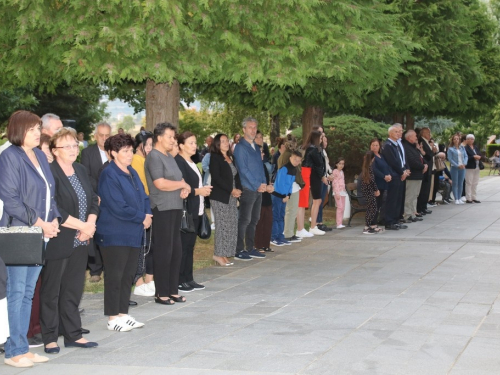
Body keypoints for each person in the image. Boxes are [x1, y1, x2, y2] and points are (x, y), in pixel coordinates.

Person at [0, 110, 61, 367]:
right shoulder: (9, 157)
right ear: (19, 131)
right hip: (20, 233)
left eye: (39, 129)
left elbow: (50, 192)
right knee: (17, 292)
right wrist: (41, 223)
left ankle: (21, 347)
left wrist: (54, 218)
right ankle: (14, 352)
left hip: (41, 232)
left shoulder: (38, 156)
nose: (39, 133)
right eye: (33, 129)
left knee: (27, 293)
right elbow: (10, 200)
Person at [40, 128, 99, 353]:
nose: (74, 149)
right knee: (52, 290)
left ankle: (73, 334)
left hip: (82, 238)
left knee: (73, 289)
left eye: (75, 145)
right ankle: (50, 337)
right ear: (55, 151)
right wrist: (81, 226)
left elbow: (93, 199)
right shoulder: (50, 172)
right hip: (59, 238)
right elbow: (54, 208)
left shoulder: (81, 170)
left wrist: (90, 225)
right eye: (68, 146)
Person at [95, 134, 152, 331]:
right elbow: (117, 206)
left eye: (130, 150)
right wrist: (141, 217)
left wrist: (148, 214)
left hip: (132, 232)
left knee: (128, 275)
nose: (129, 154)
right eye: (125, 151)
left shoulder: (131, 171)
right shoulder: (109, 174)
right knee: (115, 276)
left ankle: (123, 313)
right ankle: (112, 318)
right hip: (114, 233)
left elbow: (144, 196)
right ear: (113, 153)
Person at [145, 123, 190, 305]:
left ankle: (173, 290)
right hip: (162, 207)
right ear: (159, 137)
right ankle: (161, 292)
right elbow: (160, 183)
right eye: (170, 137)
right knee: (164, 251)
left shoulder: (169, 156)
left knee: (175, 251)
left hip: (175, 206)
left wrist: (184, 188)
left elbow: (180, 179)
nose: (173, 140)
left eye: (174, 137)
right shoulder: (154, 157)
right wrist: (182, 185)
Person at [175, 131, 212, 292]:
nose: (194, 146)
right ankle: (179, 280)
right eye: (190, 143)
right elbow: (181, 188)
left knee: (190, 247)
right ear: (181, 145)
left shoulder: (192, 161)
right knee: (183, 247)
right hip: (186, 210)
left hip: (196, 209)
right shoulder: (178, 162)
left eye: (195, 142)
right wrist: (199, 191)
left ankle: (189, 278)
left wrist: (202, 191)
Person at [81, 122, 111, 283]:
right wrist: (100, 191)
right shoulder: (87, 153)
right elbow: (86, 175)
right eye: (101, 135)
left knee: (108, 233)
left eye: (107, 135)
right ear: (95, 136)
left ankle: (108, 266)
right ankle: (95, 269)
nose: (104, 138)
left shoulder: (114, 152)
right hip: (95, 198)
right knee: (93, 233)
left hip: (112, 201)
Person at [233, 117, 267, 260]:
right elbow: (243, 170)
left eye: (255, 127)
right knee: (244, 220)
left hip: (258, 189)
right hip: (248, 188)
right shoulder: (240, 147)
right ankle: (239, 250)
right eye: (250, 127)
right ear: (244, 130)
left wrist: (264, 183)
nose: (253, 130)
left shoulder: (255, 147)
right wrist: (257, 184)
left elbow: (260, 167)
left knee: (254, 219)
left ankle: (250, 247)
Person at [209, 134, 242, 266]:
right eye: (222, 141)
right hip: (220, 197)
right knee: (222, 226)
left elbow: (236, 176)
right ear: (217, 144)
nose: (225, 143)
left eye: (226, 141)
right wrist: (231, 190)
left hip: (232, 197)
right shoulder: (215, 158)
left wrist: (239, 190)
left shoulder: (231, 157)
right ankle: (218, 254)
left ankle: (225, 253)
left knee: (231, 225)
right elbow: (217, 178)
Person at [130, 132, 155, 297]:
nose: (150, 148)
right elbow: (142, 187)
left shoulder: (146, 159)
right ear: (140, 145)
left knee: (146, 246)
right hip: (141, 208)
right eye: (148, 145)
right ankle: (138, 280)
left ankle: (146, 279)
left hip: (147, 206)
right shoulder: (136, 160)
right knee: (140, 247)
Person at [270, 151, 302, 246]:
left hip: (284, 196)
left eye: (298, 161)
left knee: (281, 216)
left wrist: (288, 195)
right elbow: (280, 183)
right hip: (277, 195)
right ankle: (273, 237)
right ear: (290, 158)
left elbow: (290, 184)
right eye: (295, 160)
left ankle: (280, 236)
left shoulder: (294, 170)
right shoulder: (284, 169)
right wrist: (284, 195)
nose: (296, 162)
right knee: (276, 216)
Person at [381, 125, 409, 230]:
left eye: (399, 131)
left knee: (398, 199)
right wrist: (402, 172)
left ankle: (396, 219)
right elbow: (393, 162)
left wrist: (405, 170)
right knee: (392, 199)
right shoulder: (388, 145)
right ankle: (389, 221)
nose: (399, 133)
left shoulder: (396, 144)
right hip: (394, 175)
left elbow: (401, 159)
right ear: (390, 133)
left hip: (400, 174)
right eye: (396, 132)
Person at [278, 134, 303, 243]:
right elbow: (294, 171)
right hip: (291, 185)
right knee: (291, 211)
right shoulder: (289, 155)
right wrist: (301, 182)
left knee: (290, 211)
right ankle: (288, 233)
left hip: (290, 185)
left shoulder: (284, 154)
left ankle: (288, 232)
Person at [303, 130, 327, 235]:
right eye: (320, 138)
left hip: (315, 176)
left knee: (317, 201)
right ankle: (313, 225)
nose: (322, 140)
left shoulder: (315, 149)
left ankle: (314, 224)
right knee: (317, 200)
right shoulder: (313, 149)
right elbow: (318, 165)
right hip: (314, 176)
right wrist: (323, 176)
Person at [402, 130, 427, 223]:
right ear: (409, 138)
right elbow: (412, 161)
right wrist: (422, 166)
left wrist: (425, 164)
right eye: (415, 136)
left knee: (415, 195)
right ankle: (407, 214)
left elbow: (420, 158)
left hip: (418, 175)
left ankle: (413, 213)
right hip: (412, 176)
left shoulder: (413, 147)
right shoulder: (406, 147)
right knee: (409, 196)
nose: (416, 137)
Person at [254, 147, 276, 251]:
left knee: (268, 221)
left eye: (263, 152)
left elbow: (267, 180)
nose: (263, 154)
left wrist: (270, 186)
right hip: (258, 197)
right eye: (260, 152)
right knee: (259, 222)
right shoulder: (253, 166)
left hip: (266, 197)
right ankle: (257, 245)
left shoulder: (263, 166)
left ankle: (266, 244)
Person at [370, 138, 391, 226]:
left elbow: (386, 166)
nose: (375, 147)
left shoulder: (381, 156)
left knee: (380, 203)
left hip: (383, 183)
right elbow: (374, 169)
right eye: (373, 145)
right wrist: (383, 176)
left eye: (377, 145)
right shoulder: (371, 157)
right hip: (376, 182)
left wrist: (389, 175)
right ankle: (372, 222)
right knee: (375, 203)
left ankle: (379, 220)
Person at [360, 152, 380, 234]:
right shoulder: (369, 167)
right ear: (373, 159)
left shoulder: (365, 167)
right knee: (373, 208)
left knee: (370, 208)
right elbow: (372, 180)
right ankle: (367, 226)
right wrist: (376, 189)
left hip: (366, 189)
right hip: (369, 190)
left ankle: (367, 225)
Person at [416, 127, 435, 215]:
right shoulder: (421, 141)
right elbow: (427, 155)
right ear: (423, 133)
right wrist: (431, 151)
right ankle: (420, 207)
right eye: (428, 133)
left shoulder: (427, 142)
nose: (429, 135)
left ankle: (424, 206)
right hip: (425, 168)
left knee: (427, 189)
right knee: (423, 189)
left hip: (429, 167)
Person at [317, 134, 332, 232]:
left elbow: (327, 166)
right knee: (319, 201)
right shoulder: (319, 151)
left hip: (325, 178)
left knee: (322, 201)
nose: (326, 143)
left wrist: (331, 173)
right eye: (324, 141)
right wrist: (326, 176)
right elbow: (320, 167)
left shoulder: (323, 151)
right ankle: (317, 222)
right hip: (321, 179)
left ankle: (320, 221)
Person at [447, 134, 468, 204]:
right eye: (454, 139)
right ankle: (456, 198)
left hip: (462, 167)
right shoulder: (450, 149)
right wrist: (457, 165)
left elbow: (466, 156)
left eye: (457, 139)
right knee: (455, 183)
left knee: (461, 183)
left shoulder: (462, 148)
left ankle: (459, 197)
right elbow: (450, 159)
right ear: (452, 140)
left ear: (459, 140)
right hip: (455, 168)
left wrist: (464, 163)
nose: (456, 140)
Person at [464, 134, 481, 203]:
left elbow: (479, 154)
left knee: (475, 182)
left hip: (477, 166)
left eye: (471, 139)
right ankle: (468, 198)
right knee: (469, 182)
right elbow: (465, 157)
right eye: (468, 139)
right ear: (466, 140)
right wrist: (473, 157)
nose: (470, 140)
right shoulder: (465, 148)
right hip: (469, 166)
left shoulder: (475, 147)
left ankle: (474, 197)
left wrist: (479, 156)